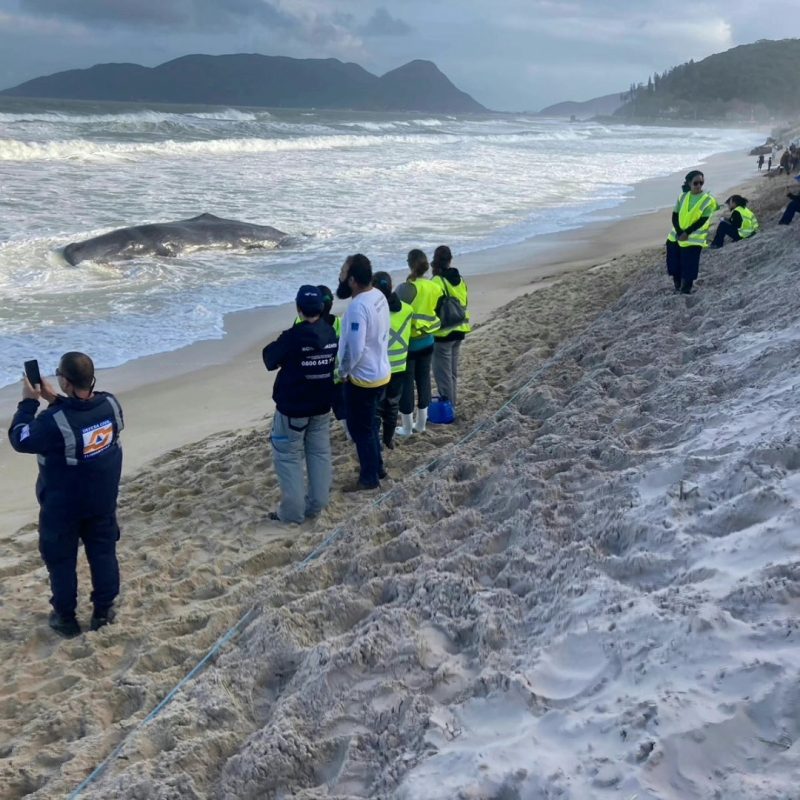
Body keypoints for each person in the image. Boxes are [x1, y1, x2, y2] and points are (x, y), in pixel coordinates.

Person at [8, 352, 124, 637]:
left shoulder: (52, 423)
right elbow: (82, 419)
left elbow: (19, 438)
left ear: (66, 381)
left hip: (63, 507)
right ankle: (103, 611)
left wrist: (28, 401)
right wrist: (56, 399)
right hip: (101, 499)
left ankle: (65, 617)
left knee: (61, 560)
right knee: (103, 552)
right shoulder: (110, 404)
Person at [263, 285, 338, 523]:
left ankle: (292, 513)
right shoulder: (330, 333)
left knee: (287, 456)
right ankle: (318, 503)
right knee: (319, 453)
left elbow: (269, 358)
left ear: (298, 309)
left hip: (293, 408)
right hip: (322, 405)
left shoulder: (293, 337)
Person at [336, 254, 391, 490]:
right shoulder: (378, 295)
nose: (340, 275)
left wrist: (343, 371)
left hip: (364, 378)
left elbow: (355, 347)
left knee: (361, 430)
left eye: (343, 271)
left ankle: (369, 477)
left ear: (352, 280)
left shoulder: (358, 307)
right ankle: (377, 466)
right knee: (370, 425)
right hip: (380, 370)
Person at [395, 249, 443, 436]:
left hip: (409, 344)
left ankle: (407, 428)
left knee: (406, 385)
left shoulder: (406, 288)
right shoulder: (434, 287)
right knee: (424, 381)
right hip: (428, 340)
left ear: (409, 263)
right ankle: (421, 423)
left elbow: (394, 311)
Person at [372, 271, 413, 450]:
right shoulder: (408, 310)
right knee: (392, 404)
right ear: (391, 286)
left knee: (376, 407)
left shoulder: (374, 311)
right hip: (399, 365)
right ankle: (388, 439)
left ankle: (377, 440)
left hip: (379, 366)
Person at [431, 245, 471, 417]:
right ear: (450, 260)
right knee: (452, 373)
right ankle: (452, 404)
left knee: (443, 375)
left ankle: (449, 408)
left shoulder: (437, 282)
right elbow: (465, 302)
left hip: (443, 334)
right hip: (460, 328)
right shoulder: (460, 279)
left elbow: (432, 307)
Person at [665, 170, 718, 294]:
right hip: (675, 236)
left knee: (689, 266)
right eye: (696, 183)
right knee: (674, 263)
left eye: (701, 183)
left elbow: (702, 220)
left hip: (693, 238)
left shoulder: (707, 200)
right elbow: (674, 216)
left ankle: (685, 289)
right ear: (689, 183)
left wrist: (686, 233)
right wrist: (679, 232)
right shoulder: (682, 197)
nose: (699, 185)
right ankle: (677, 285)